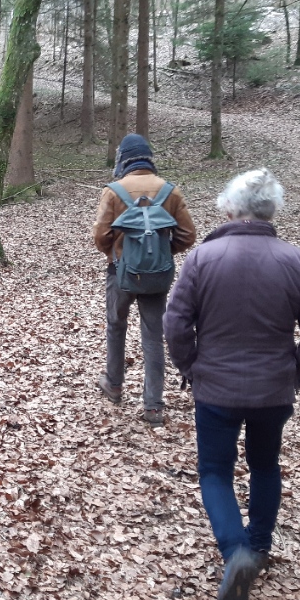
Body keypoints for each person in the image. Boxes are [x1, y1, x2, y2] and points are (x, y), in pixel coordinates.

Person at [164, 169, 300, 600]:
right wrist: (293, 372)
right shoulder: (298, 261)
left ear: (228, 209)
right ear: (271, 211)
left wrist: (192, 367)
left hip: (215, 388)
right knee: (264, 466)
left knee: (215, 472)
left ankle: (236, 550)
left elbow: (175, 324)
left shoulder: (203, 259)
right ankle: (258, 546)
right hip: (272, 392)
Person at [91, 132, 196, 426]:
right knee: (153, 336)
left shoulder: (114, 191)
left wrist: (118, 255)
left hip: (120, 272)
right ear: (148, 158)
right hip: (157, 277)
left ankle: (113, 384)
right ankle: (153, 405)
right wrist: (162, 254)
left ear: (123, 159)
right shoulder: (170, 191)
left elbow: (101, 235)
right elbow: (188, 235)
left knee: (116, 324)